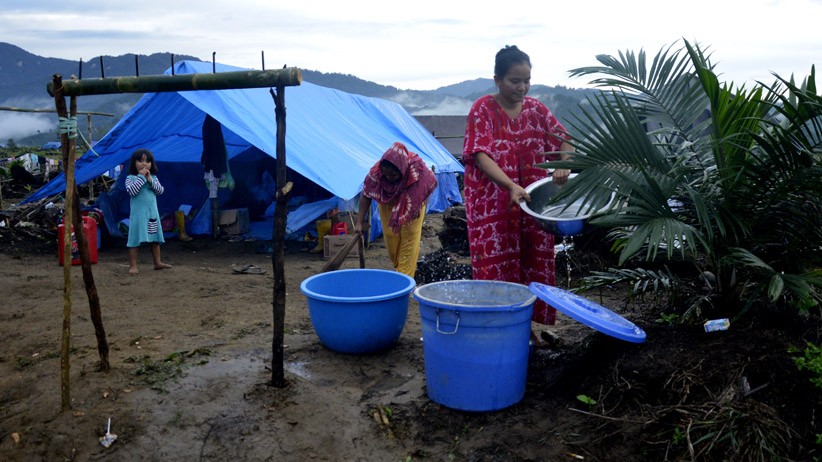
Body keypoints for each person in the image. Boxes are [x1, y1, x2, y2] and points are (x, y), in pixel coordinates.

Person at [462, 45, 573, 346]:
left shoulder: (537, 110)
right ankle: (498, 331)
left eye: (527, 80)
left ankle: (526, 330)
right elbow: (480, 155)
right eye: (515, 81)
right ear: (497, 80)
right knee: (496, 267)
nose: (522, 87)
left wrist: (562, 165)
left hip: (533, 205)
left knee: (531, 264)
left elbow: (565, 141)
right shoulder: (483, 109)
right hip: (492, 207)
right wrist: (510, 185)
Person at [354, 142, 438, 278]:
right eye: (386, 175)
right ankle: (401, 270)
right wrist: (359, 222)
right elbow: (366, 195)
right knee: (391, 238)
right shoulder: (376, 173)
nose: (389, 178)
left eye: (393, 176)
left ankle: (404, 277)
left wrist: (418, 203)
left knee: (409, 240)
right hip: (388, 204)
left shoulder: (416, 168)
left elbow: (427, 184)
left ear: (402, 169)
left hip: (412, 204)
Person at [125, 148, 172, 275]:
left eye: (147, 161)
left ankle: (157, 263)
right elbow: (132, 191)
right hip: (138, 216)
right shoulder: (130, 178)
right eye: (140, 161)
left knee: (155, 239)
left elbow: (160, 191)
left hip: (152, 214)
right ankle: (133, 266)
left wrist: (150, 180)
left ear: (152, 164)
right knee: (134, 239)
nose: (144, 164)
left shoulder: (154, 178)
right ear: (134, 163)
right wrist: (141, 177)